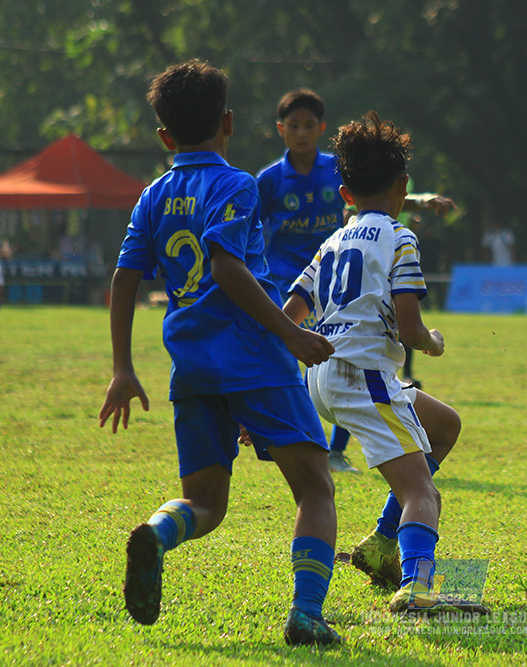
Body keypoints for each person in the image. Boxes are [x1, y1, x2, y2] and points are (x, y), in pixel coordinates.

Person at [98, 60, 341, 646]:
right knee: (314, 488)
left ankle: (158, 533)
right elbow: (229, 266)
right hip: (255, 360)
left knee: (203, 502)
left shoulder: (153, 195)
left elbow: (125, 277)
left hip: (193, 369)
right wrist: (290, 334)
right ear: (227, 123)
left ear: (164, 137)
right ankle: (307, 614)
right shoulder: (236, 184)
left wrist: (123, 369)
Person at [283, 111, 478, 614]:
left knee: (444, 426)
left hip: (319, 375)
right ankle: (417, 588)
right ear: (403, 186)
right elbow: (412, 330)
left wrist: (273, 393)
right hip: (362, 376)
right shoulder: (400, 237)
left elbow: (288, 317)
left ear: (345, 194)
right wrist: (433, 341)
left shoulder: (330, 243)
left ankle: (379, 545)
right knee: (423, 493)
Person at [256, 88, 454, 474]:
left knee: (342, 356)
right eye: (294, 126)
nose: (301, 133)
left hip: (340, 268)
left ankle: (334, 446)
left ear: (321, 128)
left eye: (309, 125)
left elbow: (377, 193)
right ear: (281, 130)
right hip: (299, 277)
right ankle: (300, 430)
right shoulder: (269, 180)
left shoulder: (338, 167)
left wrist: (422, 200)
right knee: (349, 354)